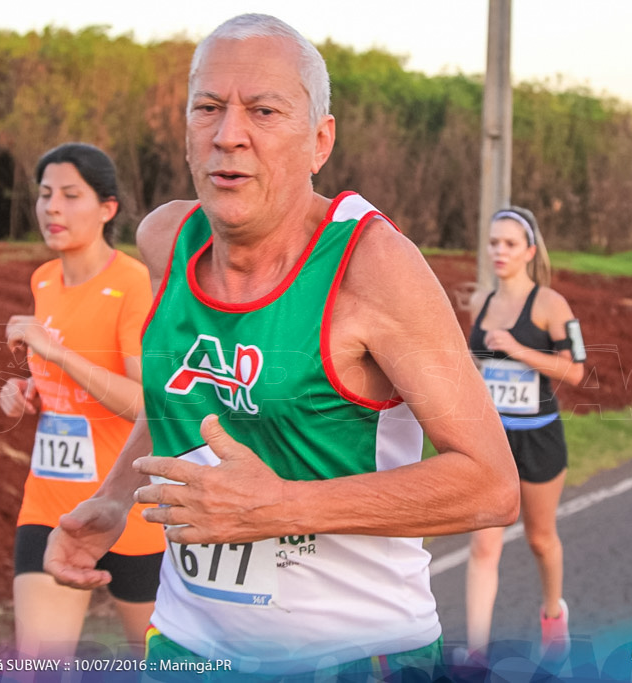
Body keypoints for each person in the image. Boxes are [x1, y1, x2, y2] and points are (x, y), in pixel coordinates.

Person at [42, 14, 520, 678]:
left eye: (263, 111)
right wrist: (116, 496)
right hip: (186, 647)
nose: (227, 135)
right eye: (207, 108)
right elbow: (185, 394)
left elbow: (491, 484)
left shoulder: (371, 266)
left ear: (320, 139)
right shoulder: (167, 240)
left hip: (354, 654)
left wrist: (279, 507)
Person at [0, 142, 165, 658]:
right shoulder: (44, 280)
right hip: (51, 503)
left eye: (71, 196)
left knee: (163, 667)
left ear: (107, 208)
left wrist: (60, 355)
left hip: (127, 511)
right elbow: (60, 385)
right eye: (46, 195)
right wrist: (29, 392)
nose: (52, 208)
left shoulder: (133, 285)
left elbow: (148, 406)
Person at [463, 207, 585, 663]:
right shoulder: (481, 302)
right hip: (493, 443)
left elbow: (576, 371)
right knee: (483, 543)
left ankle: (553, 615)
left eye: (509, 244)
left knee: (540, 538)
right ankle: (476, 654)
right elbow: (477, 367)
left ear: (529, 252)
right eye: (493, 242)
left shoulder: (551, 304)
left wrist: (518, 349)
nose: (499, 251)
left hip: (538, 437)